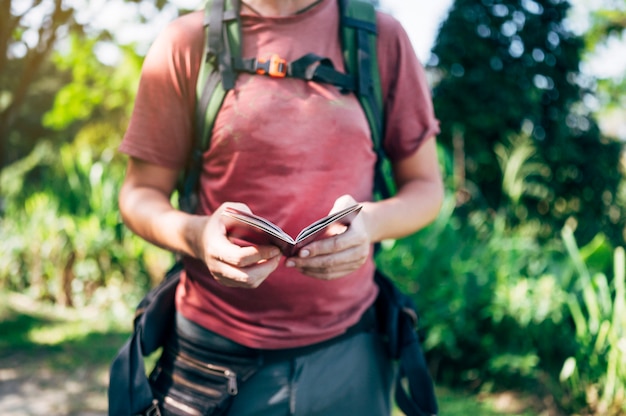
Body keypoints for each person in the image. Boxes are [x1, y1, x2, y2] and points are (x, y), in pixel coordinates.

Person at [117, 0, 443, 414]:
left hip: (351, 358)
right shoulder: (187, 43)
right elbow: (139, 192)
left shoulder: (380, 40)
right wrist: (197, 236)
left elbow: (427, 187)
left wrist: (371, 223)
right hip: (213, 360)